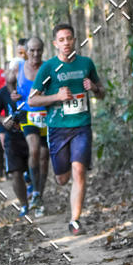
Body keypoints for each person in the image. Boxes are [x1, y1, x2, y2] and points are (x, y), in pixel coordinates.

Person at [29, 23, 105, 234]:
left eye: (69, 38)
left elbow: (102, 93)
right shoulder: (49, 68)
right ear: (55, 44)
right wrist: (57, 97)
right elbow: (32, 100)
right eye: (61, 40)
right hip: (58, 128)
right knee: (62, 179)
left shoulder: (86, 64)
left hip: (81, 125)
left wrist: (95, 88)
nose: (66, 43)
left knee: (79, 170)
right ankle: (62, 181)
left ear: (74, 40)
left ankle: (75, 220)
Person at [0, 61, 31, 216]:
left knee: (32, 167)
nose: (11, 73)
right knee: (16, 172)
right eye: (8, 70)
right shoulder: (1, 93)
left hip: (29, 134)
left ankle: (35, 194)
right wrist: (3, 120)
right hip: (11, 138)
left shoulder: (26, 89)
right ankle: (24, 205)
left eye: (15, 70)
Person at [16, 36, 49, 217]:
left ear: (43, 51)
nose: (35, 54)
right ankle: (34, 188)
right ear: (26, 52)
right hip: (28, 115)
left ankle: (38, 195)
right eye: (32, 50)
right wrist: (14, 96)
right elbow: (9, 86)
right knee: (34, 150)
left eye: (39, 50)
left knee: (44, 158)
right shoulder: (18, 68)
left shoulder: (48, 68)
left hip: (46, 115)